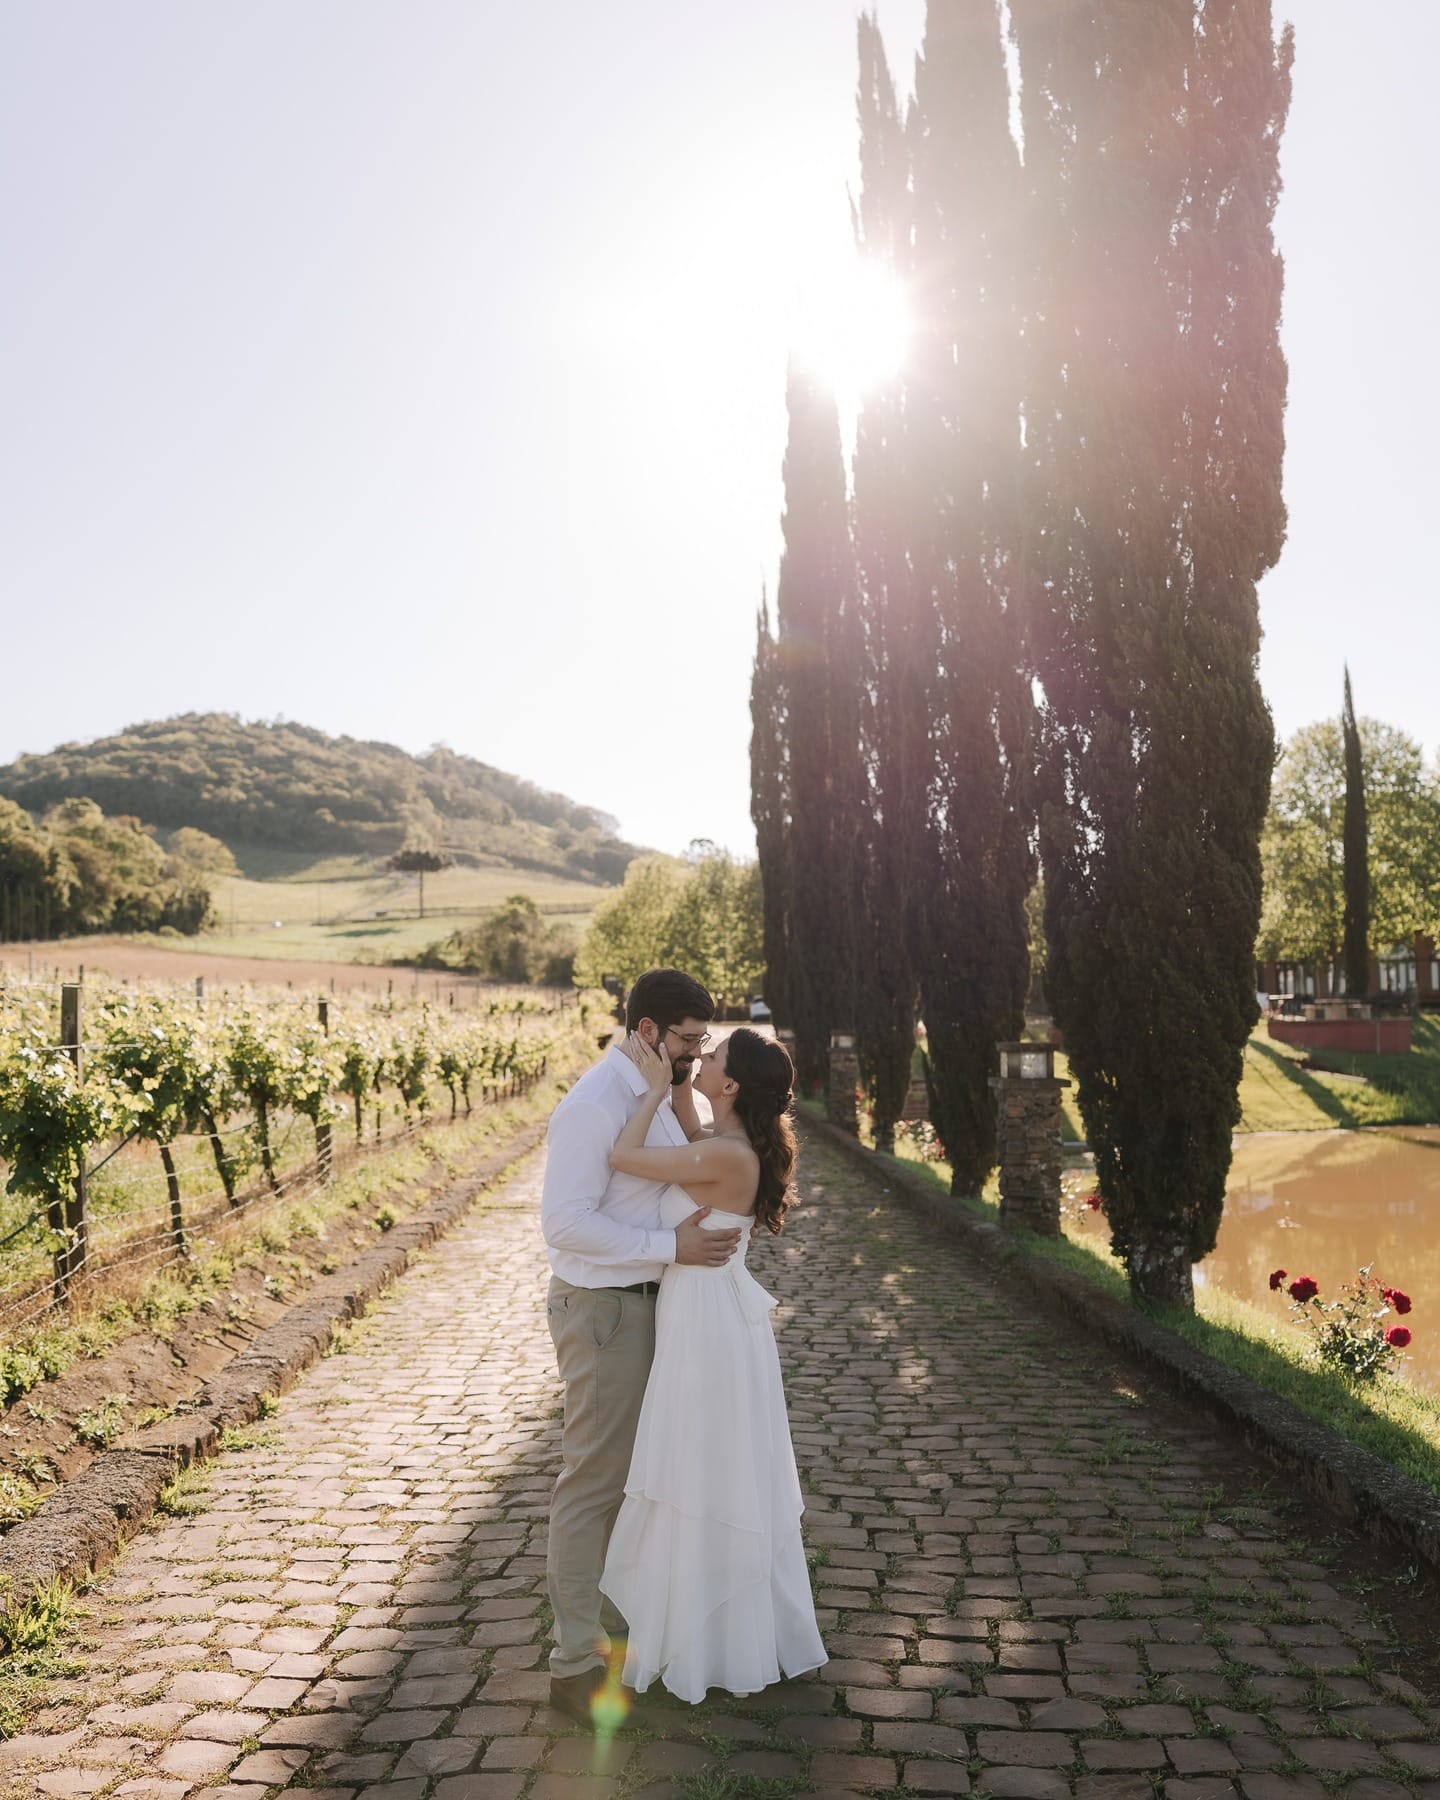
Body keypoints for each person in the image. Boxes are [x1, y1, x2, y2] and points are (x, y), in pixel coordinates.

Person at [598, 1027, 827, 1703]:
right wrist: (671, 1080)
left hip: (708, 1327)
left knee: (699, 1467)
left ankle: (710, 1643)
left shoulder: (726, 1156)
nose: (704, 1058)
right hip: (703, 1315)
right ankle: (703, 1631)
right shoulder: (723, 1142)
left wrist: (648, 1085)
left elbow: (624, 1155)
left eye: (714, 1055)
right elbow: (687, 1118)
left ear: (730, 1084)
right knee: (701, 1465)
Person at [541, 968, 742, 1729]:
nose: (699, 1051)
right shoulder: (595, 1105)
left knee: (633, 1483)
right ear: (649, 1031)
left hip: (652, 1309)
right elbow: (564, 1223)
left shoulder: (652, 1095)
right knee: (592, 1484)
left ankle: (620, 1630)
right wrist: (669, 1248)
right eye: (689, 1039)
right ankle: (572, 1663)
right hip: (605, 1313)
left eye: (704, 1040)